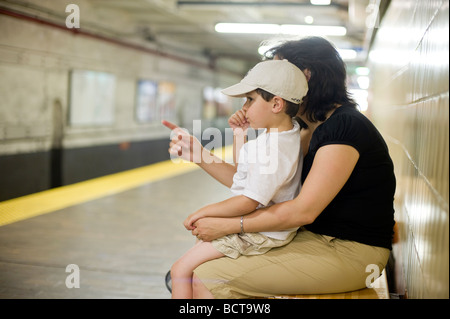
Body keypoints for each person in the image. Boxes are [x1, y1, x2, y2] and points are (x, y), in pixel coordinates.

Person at [163, 36, 396, 299]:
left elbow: (303, 211)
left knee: (209, 278)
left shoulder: (344, 128)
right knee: (198, 267)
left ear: (304, 77)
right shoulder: (304, 128)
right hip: (316, 239)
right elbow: (255, 184)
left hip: (352, 253)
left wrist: (231, 225)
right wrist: (200, 155)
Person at [166, 59, 309, 299]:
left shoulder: (274, 148)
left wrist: (203, 212)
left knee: (180, 271)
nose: (244, 107)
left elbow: (247, 200)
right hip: (261, 228)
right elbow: (244, 174)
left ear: (276, 104)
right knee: (190, 268)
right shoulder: (285, 133)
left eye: (250, 99)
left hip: (261, 234)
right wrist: (240, 135)